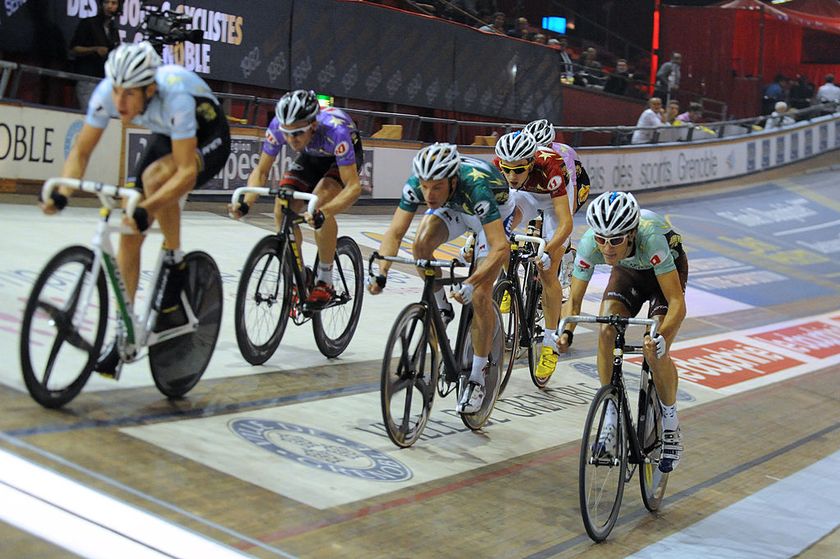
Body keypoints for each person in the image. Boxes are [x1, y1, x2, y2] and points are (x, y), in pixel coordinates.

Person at [40, 41, 232, 374]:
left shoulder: (177, 96)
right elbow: (81, 152)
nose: (119, 102)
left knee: (156, 180)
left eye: (129, 94)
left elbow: (186, 173)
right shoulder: (109, 92)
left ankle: (175, 260)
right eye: (116, 91)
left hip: (208, 134)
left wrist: (149, 207)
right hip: (167, 131)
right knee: (130, 230)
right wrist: (64, 191)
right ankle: (123, 333)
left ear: (150, 88)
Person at [368, 143, 512, 413]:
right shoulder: (420, 183)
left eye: (436, 187)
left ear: (452, 180)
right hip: (455, 207)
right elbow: (396, 232)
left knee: (481, 295)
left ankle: (478, 377)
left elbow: (500, 247)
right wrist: (382, 272)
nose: (428, 194)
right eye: (424, 186)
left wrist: (471, 283)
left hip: (492, 213)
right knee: (421, 246)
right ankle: (441, 307)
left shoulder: (476, 187)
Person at [557, 191, 687, 473]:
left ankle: (670, 422)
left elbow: (677, 303)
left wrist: (662, 338)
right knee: (606, 329)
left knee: (654, 350)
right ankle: (611, 414)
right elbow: (574, 301)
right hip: (629, 273)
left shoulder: (651, 238)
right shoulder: (591, 243)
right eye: (602, 239)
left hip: (665, 274)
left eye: (615, 240)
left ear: (630, 234)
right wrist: (566, 331)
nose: (607, 248)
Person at [229, 90, 364, 306]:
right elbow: (261, 171)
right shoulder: (278, 127)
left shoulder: (336, 132)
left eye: (298, 133)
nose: (291, 139)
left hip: (340, 159)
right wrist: (245, 202)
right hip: (312, 157)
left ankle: (325, 280)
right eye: (287, 133)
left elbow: (353, 187)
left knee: (318, 202)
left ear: (312, 125)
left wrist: (325, 213)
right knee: (281, 208)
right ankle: (299, 276)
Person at [494, 130, 573, 381]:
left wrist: (549, 250)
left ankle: (550, 344)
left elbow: (566, 224)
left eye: (518, 170)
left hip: (554, 199)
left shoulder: (550, 166)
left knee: (548, 270)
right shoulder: (501, 167)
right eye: (507, 170)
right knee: (499, 232)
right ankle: (508, 281)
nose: (511, 176)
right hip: (526, 196)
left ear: (530, 162)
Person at [69, 0, 120, 109]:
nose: (109, 6)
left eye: (114, 3)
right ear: (101, 4)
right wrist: (95, 49)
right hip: (87, 79)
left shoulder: (113, 30)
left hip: (104, 81)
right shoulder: (89, 23)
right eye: (106, 2)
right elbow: (74, 49)